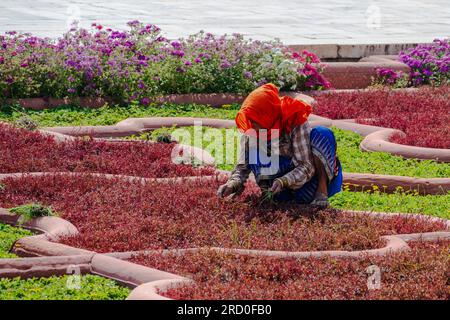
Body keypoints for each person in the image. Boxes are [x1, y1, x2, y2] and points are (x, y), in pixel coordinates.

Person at [217, 83, 342, 207]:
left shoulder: (294, 120)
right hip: (278, 190)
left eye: (255, 120)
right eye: (249, 120)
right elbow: (242, 168)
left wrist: (284, 181)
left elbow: (306, 166)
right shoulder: (252, 131)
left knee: (322, 134)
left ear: (267, 115)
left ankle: (322, 190)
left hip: (308, 184)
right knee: (256, 151)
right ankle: (270, 197)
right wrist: (232, 184)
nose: (251, 125)